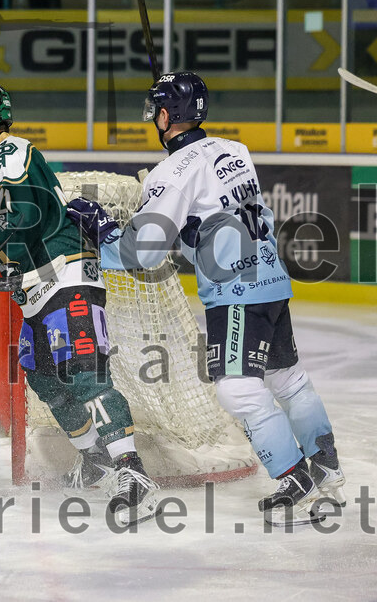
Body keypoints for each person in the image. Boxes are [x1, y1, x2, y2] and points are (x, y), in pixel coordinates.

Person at [66, 71, 346, 526]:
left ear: (163, 115)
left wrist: (101, 228)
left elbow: (144, 252)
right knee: (288, 379)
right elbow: (214, 214)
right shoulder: (235, 150)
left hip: (236, 292)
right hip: (271, 279)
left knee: (236, 387)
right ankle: (326, 466)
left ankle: (297, 479)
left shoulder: (172, 173)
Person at [0, 81, 159, 526]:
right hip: (36, 289)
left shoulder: (10, 151)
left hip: (66, 273)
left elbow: (22, 216)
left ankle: (134, 474)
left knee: (83, 372)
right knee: (43, 378)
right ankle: (95, 458)